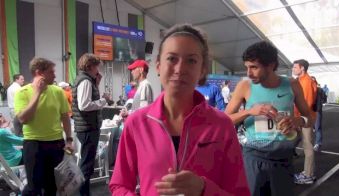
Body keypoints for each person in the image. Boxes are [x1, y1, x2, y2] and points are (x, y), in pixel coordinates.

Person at [109, 24, 250, 196]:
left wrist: (203, 189)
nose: (180, 68)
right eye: (172, 58)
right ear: (159, 66)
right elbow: (119, 185)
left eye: (191, 60)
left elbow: (240, 192)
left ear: (202, 70)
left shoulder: (221, 126)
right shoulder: (137, 123)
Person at [225, 41, 314, 196]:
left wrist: (298, 121)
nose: (248, 73)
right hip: (253, 157)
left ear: (271, 65)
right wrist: (250, 112)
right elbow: (224, 120)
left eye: (254, 67)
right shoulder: (245, 86)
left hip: (284, 159)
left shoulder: (291, 85)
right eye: (247, 67)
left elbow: (309, 117)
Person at [14, 57, 73, 195]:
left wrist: (69, 140)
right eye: (51, 72)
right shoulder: (22, 93)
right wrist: (37, 93)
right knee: (34, 187)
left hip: (56, 144)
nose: (55, 75)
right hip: (34, 144)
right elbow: (23, 119)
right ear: (39, 73)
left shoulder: (58, 92)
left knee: (52, 186)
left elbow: (65, 117)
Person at [72, 53, 111, 196]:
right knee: (86, 166)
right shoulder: (86, 81)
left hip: (86, 127)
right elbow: (84, 105)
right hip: (88, 128)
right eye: (96, 67)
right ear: (90, 66)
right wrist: (103, 100)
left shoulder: (86, 80)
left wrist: (96, 84)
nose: (98, 70)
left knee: (86, 163)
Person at [292, 59, 318, 184]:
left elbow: (306, 104)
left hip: (305, 119)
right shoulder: (300, 81)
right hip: (300, 118)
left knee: (307, 146)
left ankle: (308, 175)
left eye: (295, 67)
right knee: (296, 142)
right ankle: (307, 172)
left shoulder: (306, 82)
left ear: (302, 68)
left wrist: (298, 120)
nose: (293, 69)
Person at [311, 76, 325, 152]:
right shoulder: (307, 90)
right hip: (308, 111)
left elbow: (324, 98)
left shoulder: (320, 90)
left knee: (318, 128)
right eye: (311, 81)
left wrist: (319, 104)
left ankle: (318, 144)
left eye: (313, 81)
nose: (312, 83)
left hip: (317, 111)